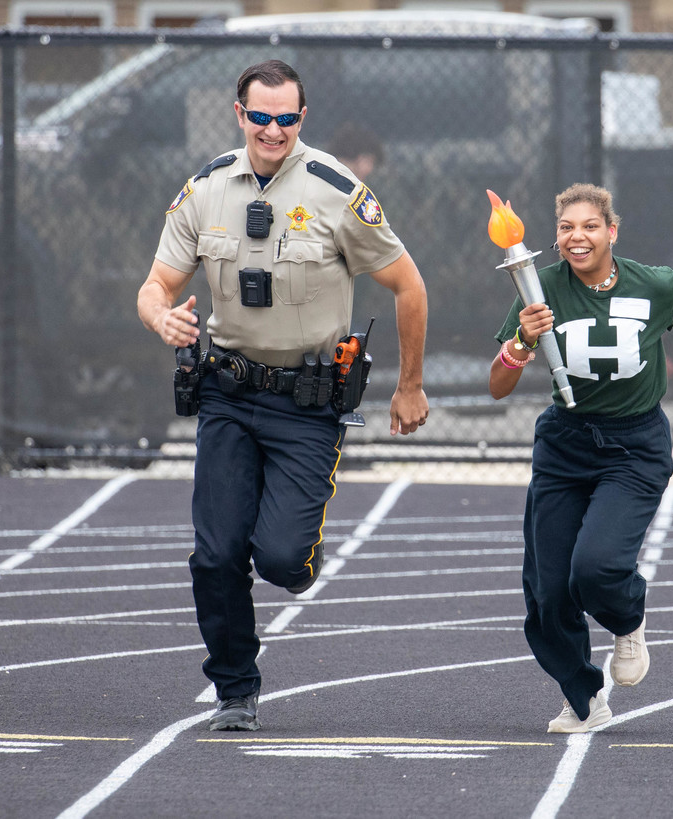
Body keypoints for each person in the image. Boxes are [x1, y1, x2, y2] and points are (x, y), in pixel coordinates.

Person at [137, 59, 429, 732]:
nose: (273, 130)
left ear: (303, 117)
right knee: (215, 554)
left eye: (287, 118)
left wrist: (410, 385)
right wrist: (161, 317)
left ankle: (294, 552)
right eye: (261, 117)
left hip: (307, 401)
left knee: (280, 560)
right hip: (227, 394)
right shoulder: (206, 189)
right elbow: (155, 285)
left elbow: (409, 285)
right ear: (240, 114)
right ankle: (235, 689)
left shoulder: (336, 189)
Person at [489, 183, 673, 733]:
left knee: (595, 569)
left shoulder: (651, 283)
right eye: (567, 228)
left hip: (633, 446)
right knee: (547, 591)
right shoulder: (538, 287)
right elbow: (497, 386)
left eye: (590, 226)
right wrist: (521, 342)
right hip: (564, 445)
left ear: (612, 231)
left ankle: (627, 617)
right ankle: (583, 699)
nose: (578, 237)